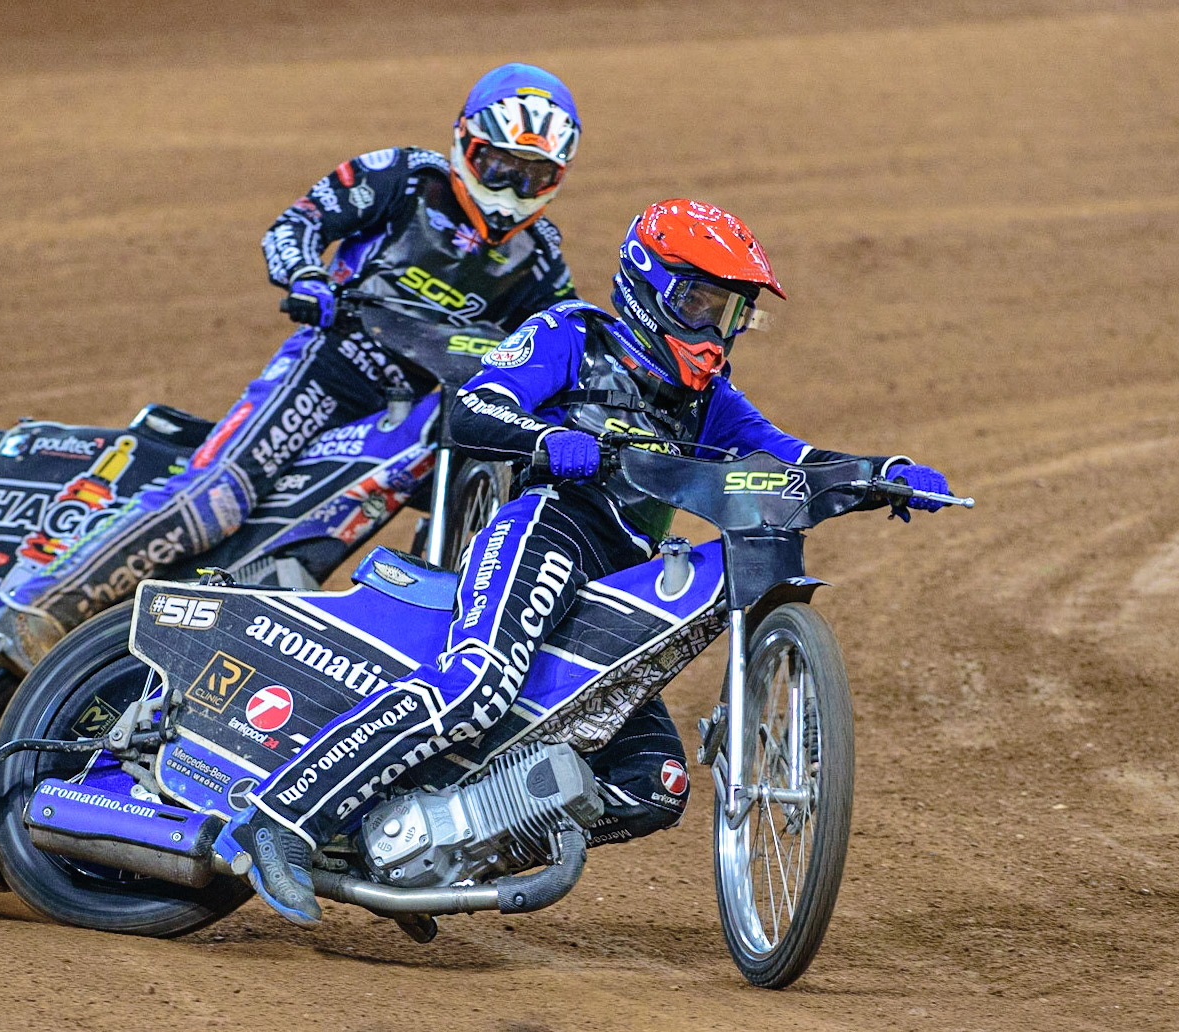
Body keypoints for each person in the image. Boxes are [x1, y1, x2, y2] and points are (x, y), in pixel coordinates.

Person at [215, 198, 952, 928]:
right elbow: (472, 408)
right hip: (548, 527)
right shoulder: (572, 334)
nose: (712, 326)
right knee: (477, 683)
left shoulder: (711, 402)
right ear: (648, 283)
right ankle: (278, 817)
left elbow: (787, 458)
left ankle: (429, 846)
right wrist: (543, 440)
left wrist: (878, 472)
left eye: (728, 312)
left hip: (621, 578)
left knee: (655, 783)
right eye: (698, 300)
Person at [0, 62, 583, 673]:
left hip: (414, 408)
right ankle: (36, 608)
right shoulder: (400, 177)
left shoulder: (539, 258)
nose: (511, 187)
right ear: (464, 142)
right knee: (219, 498)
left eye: (534, 175)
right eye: (499, 165)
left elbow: (563, 340)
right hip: (326, 367)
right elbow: (299, 222)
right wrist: (305, 274)